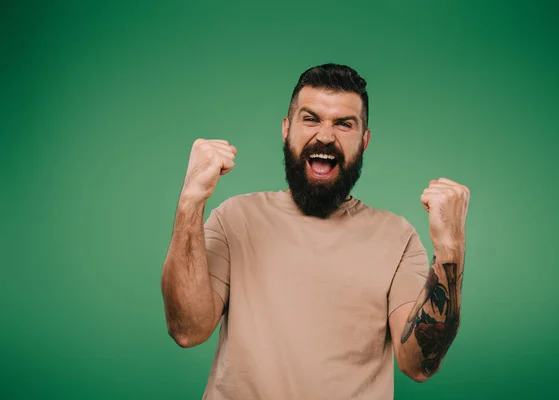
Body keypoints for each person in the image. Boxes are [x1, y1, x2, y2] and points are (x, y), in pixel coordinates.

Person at [161, 64, 470, 400]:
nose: (325, 135)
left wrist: (450, 248)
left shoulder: (399, 238)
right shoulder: (235, 217)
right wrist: (190, 201)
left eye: (344, 124)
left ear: (364, 140)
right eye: (311, 119)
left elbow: (418, 364)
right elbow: (187, 330)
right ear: (286, 129)